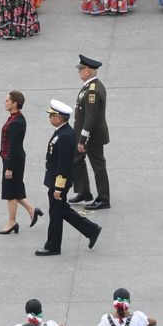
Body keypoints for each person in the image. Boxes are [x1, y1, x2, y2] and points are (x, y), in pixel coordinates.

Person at [35, 100, 101, 257]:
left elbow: (63, 165)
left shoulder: (64, 135)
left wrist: (58, 188)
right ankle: (91, 230)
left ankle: (53, 246)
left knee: (56, 214)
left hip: (58, 182)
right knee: (62, 210)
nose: (50, 118)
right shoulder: (62, 132)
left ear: (58, 118)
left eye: (52, 115)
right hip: (56, 181)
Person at [67, 55, 110, 210]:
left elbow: (90, 119)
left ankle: (104, 198)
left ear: (89, 71)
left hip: (92, 136)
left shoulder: (93, 91)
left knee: (98, 165)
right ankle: (84, 191)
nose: (79, 72)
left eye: (82, 69)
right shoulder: (88, 86)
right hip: (82, 133)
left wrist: (82, 140)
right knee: (76, 160)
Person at [0, 90, 42, 233]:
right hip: (11, 158)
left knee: (10, 191)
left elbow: (14, 146)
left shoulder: (16, 122)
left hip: (13, 160)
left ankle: (12, 222)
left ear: (15, 104)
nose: (5, 103)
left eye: (7, 101)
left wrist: (9, 167)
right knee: (15, 188)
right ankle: (32, 210)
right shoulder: (15, 118)